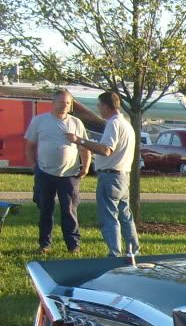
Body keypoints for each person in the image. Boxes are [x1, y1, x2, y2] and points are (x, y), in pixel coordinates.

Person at [66, 90, 140, 257]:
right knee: (125, 215)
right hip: (123, 176)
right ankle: (133, 250)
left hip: (110, 175)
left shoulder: (113, 124)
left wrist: (80, 141)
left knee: (109, 216)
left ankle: (114, 253)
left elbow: (106, 149)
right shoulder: (126, 124)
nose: (98, 109)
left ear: (106, 106)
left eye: (99, 105)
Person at [25, 89, 88, 254]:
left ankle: (73, 246)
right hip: (45, 173)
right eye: (61, 102)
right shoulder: (39, 121)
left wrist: (86, 166)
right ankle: (45, 244)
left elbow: (84, 147)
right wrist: (34, 167)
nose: (64, 106)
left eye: (67, 103)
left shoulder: (76, 123)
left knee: (69, 210)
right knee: (45, 209)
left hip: (69, 175)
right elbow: (30, 146)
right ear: (53, 103)